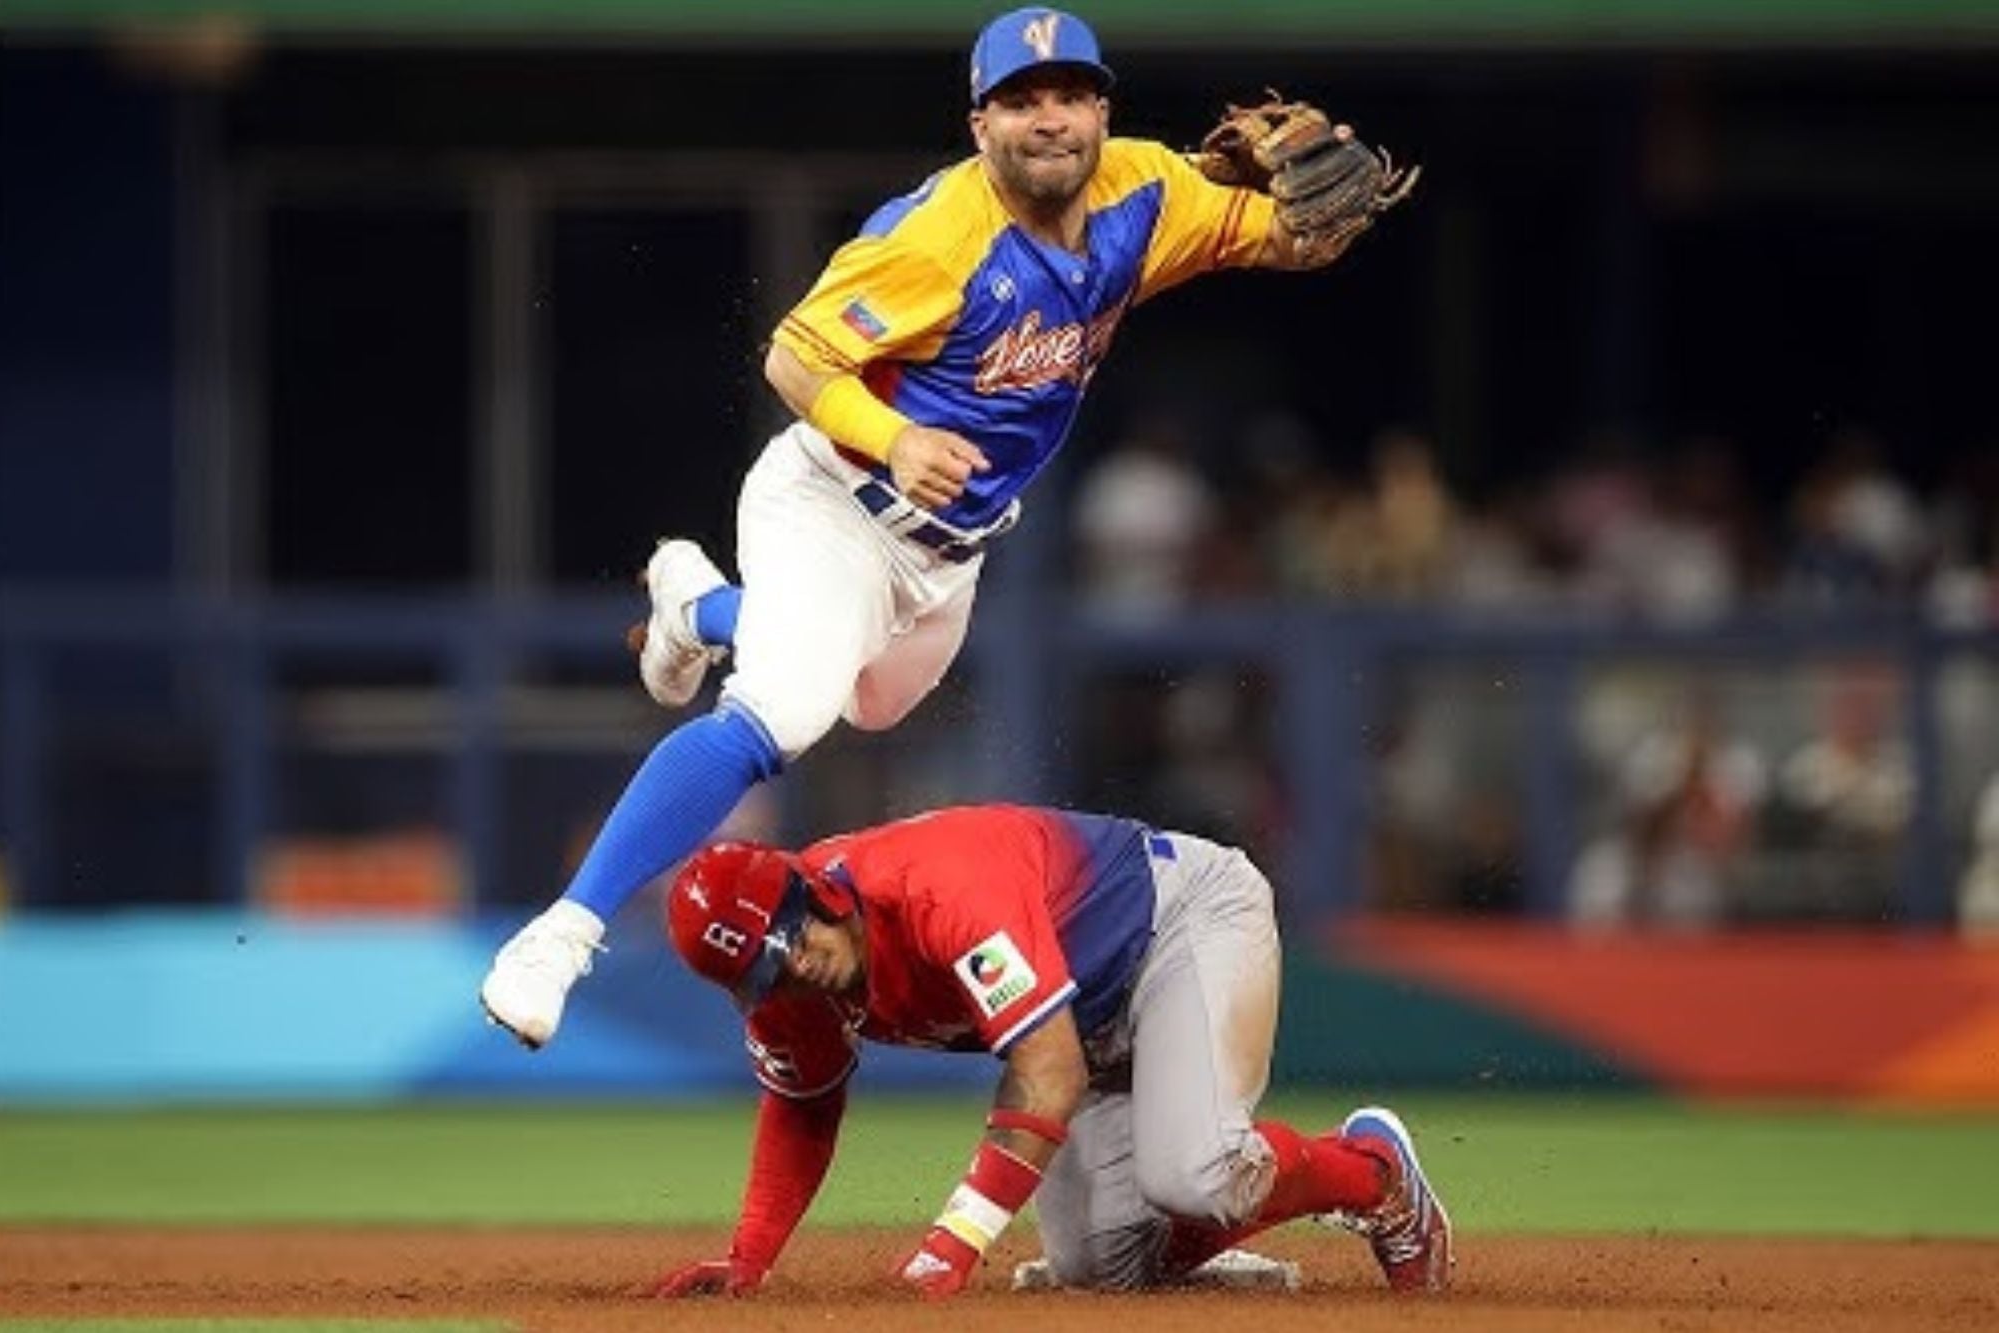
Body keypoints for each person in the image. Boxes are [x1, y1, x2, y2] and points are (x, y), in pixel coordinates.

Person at [479, 6, 1412, 1048]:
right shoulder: (931, 238)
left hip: (945, 555)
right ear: (980, 127)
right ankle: (562, 932)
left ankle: (697, 605)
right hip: (833, 502)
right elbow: (793, 358)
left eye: (1068, 95)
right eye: (1020, 101)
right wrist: (891, 438)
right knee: (783, 711)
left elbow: (1285, 237)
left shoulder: (1148, 191)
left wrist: (1310, 224)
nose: (1047, 119)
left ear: (1102, 111)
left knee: (869, 702)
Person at [647, 804, 1452, 1297]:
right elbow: (803, 1107)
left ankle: (1374, 1174)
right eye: (766, 971)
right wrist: (747, 1258)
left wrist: (953, 1241)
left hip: (1179, 928)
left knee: (1195, 1175)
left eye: (792, 941)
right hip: (1085, 1015)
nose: (796, 967)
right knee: (1098, 1268)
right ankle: (1191, 1229)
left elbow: (1050, 1067)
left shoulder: (937, 888)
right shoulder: (793, 988)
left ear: (814, 894)